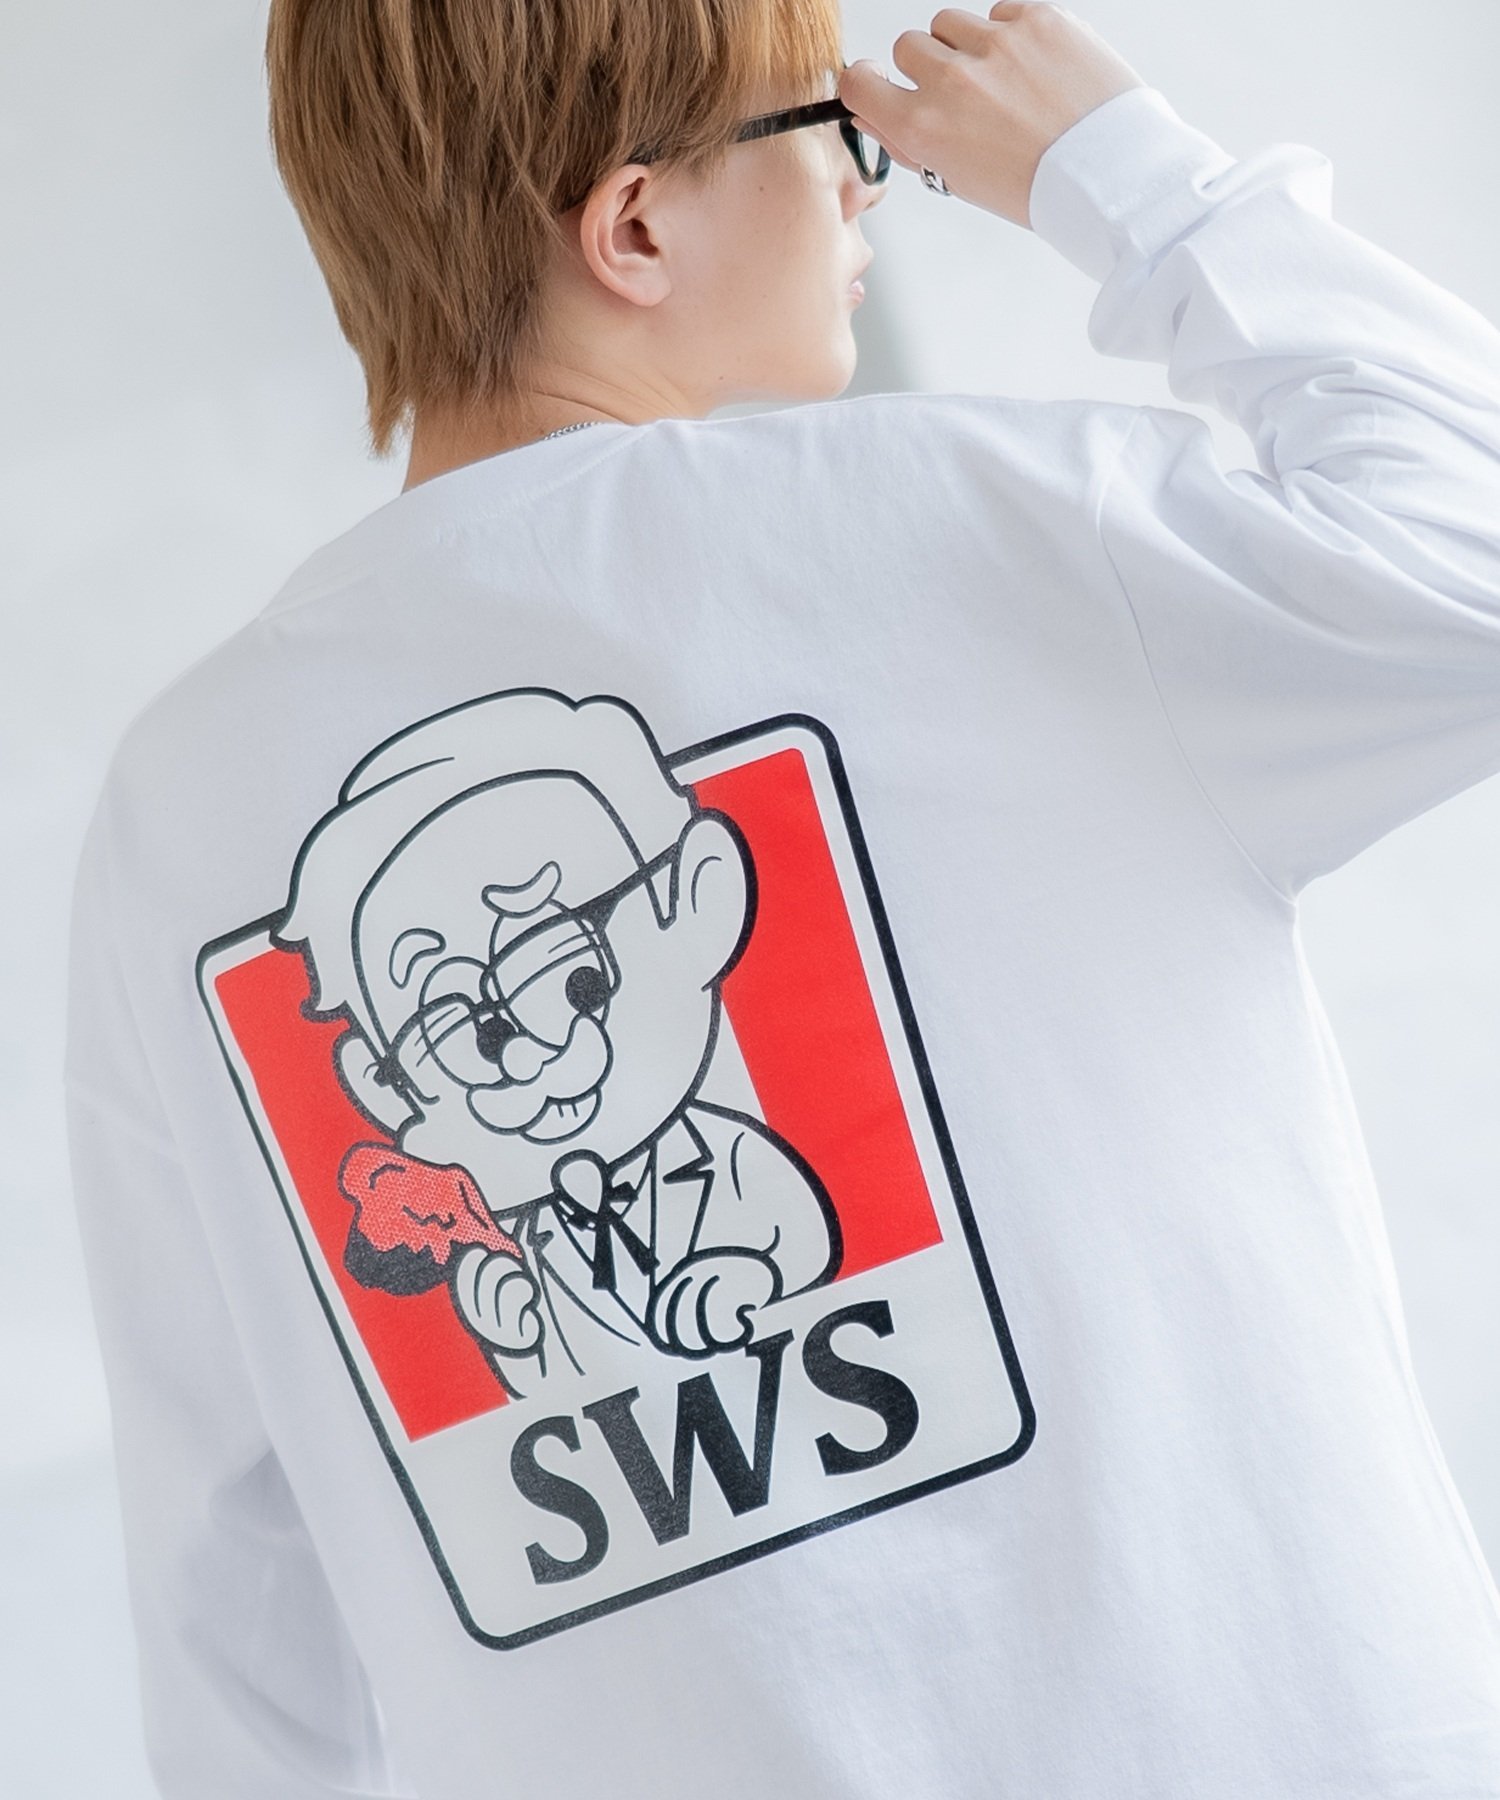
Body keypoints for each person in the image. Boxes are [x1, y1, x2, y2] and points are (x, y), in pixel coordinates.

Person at [64, 1, 1500, 1796]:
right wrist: (1134, 180)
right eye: (830, 129)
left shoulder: (181, 813)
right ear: (635, 226)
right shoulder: (967, 531)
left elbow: (233, 1570)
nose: (863, 186)